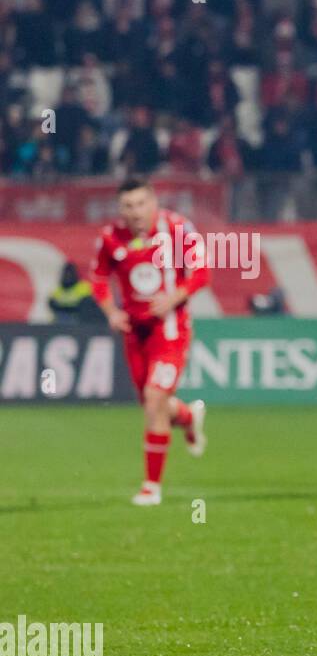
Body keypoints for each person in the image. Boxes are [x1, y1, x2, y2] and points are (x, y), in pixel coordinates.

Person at [89, 177, 208, 506]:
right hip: (135, 333)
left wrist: (174, 297)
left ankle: (151, 487)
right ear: (120, 209)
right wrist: (111, 311)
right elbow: (98, 278)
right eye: (128, 206)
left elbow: (201, 271)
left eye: (141, 204)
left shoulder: (179, 229)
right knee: (152, 403)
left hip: (171, 331)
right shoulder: (111, 237)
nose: (135, 212)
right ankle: (186, 416)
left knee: (155, 398)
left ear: (154, 202)